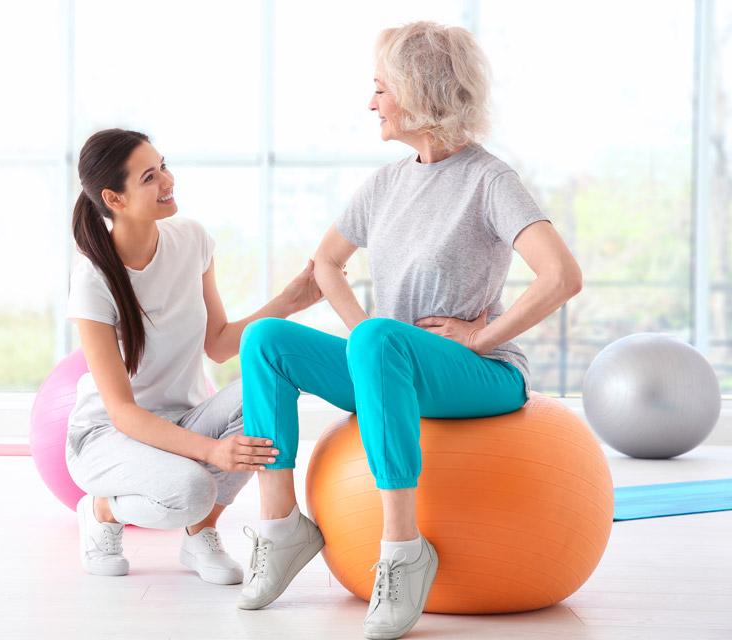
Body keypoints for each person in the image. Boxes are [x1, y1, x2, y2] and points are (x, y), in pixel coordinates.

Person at [236, 21, 583, 640]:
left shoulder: (488, 180)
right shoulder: (387, 183)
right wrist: (362, 329)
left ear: (419, 91)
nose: (371, 103)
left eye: (380, 88)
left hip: (481, 375)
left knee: (375, 341)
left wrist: (481, 336)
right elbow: (325, 263)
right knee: (266, 340)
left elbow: (561, 276)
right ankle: (281, 526)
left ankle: (402, 549)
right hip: (391, 364)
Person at [64, 128, 324, 584]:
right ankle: (102, 509)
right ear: (115, 198)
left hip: (181, 418)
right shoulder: (93, 278)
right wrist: (211, 451)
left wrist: (289, 301)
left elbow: (219, 344)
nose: (168, 181)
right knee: (191, 488)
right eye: (149, 177)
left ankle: (199, 534)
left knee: (266, 389)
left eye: (163, 165)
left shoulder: (192, 240)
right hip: (108, 435)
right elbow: (123, 412)